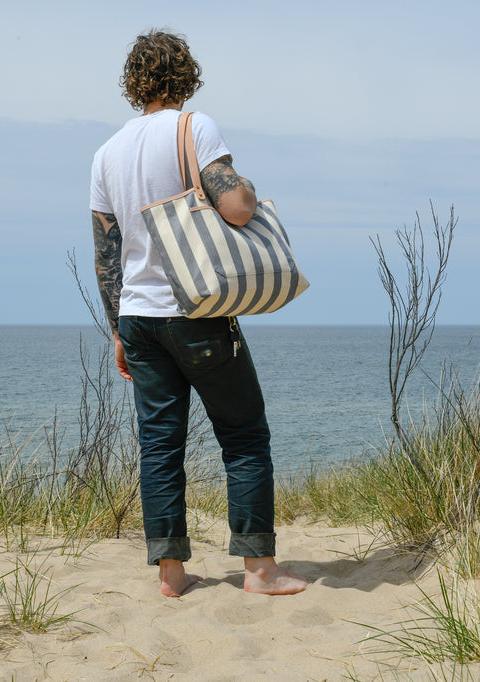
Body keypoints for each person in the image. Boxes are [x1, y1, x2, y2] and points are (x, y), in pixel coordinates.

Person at [89, 30, 307, 597]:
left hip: (138, 318)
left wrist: (117, 331)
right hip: (196, 310)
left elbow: (107, 253)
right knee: (244, 434)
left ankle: (171, 575)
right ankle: (259, 570)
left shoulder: (106, 153)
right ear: (185, 77)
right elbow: (236, 207)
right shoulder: (195, 127)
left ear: (133, 83)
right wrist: (247, 186)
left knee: (160, 446)